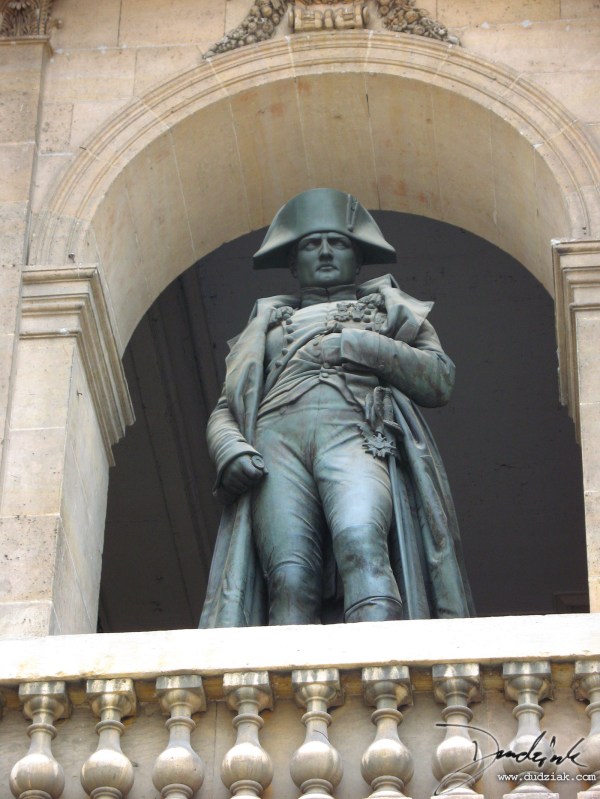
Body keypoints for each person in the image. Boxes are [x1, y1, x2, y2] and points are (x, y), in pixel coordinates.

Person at [199, 188, 474, 628]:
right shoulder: (266, 327)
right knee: (288, 575)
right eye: (311, 244)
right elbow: (227, 406)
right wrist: (229, 447)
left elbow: (439, 378)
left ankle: (380, 674)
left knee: (361, 540)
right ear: (293, 263)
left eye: (338, 243)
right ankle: (292, 684)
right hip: (275, 441)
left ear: (358, 257)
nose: (325, 252)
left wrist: (358, 343)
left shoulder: (389, 310)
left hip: (357, 432)